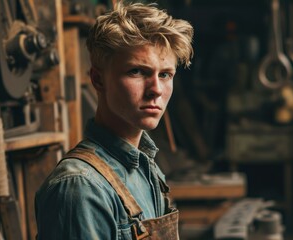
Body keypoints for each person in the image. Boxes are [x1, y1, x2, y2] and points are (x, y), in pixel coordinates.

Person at [35, 2, 193, 239]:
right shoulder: (80, 188)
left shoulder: (146, 168)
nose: (156, 90)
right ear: (98, 80)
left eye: (165, 74)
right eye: (137, 72)